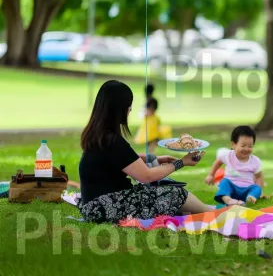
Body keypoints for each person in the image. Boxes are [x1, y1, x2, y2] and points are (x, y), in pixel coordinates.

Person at [78, 80, 214, 223]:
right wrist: (181, 162)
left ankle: (202, 211)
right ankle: (213, 212)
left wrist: (153, 158)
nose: (130, 110)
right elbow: (147, 176)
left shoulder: (98, 135)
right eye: (128, 105)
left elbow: (118, 160)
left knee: (159, 192)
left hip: (95, 206)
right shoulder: (112, 140)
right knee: (173, 192)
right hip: (106, 207)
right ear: (119, 108)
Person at [205, 126, 264, 206]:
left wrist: (257, 191)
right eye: (243, 146)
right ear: (233, 144)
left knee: (257, 188)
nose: (246, 149)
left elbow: (259, 177)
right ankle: (228, 199)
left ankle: (250, 198)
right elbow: (218, 162)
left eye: (250, 146)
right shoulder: (228, 155)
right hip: (231, 188)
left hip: (247, 189)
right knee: (224, 183)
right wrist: (211, 175)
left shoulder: (255, 161)